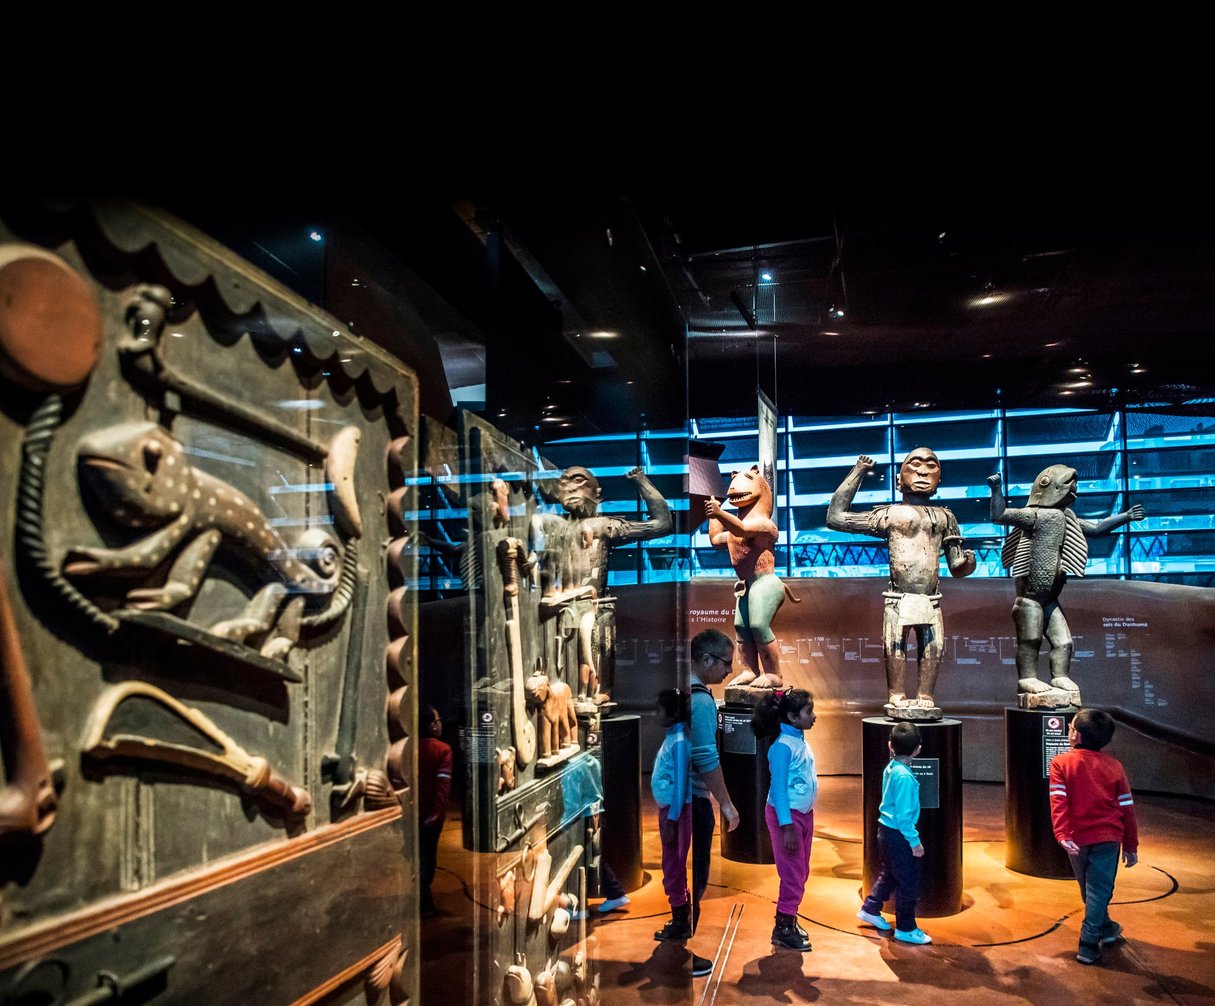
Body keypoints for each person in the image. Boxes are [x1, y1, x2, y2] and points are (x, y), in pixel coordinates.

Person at [827, 450, 975, 716]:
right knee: (895, 647)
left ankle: (925, 696)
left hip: (930, 600)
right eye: (914, 465)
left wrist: (967, 564)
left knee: (933, 648)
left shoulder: (945, 517)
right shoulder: (889, 514)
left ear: (939, 479)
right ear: (898, 479)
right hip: (898, 599)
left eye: (931, 466)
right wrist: (859, 470)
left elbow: (957, 567)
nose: (922, 472)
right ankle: (896, 695)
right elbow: (836, 517)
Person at [1049, 708, 1139, 965]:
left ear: (1075, 735)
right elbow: (1126, 809)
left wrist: (1062, 833)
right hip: (1108, 838)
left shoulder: (1060, 763)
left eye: (1070, 727)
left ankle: (1088, 943)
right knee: (1096, 890)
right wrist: (1130, 845)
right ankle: (1105, 928)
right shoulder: (1115, 766)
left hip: (1077, 840)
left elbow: (1058, 802)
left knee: (1091, 889)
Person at [688, 629, 741, 975]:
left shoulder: (685, 692)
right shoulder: (702, 701)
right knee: (697, 877)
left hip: (676, 801)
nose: (728, 671)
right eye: (725, 663)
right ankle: (682, 948)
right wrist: (725, 803)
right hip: (693, 800)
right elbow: (706, 757)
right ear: (706, 660)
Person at [750, 688, 818, 952]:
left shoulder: (799, 740)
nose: (814, 717)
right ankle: (783, 927)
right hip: (786, 819)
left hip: (803, 816)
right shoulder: (782, 747)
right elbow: (778, 789)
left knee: (801, 871)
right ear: (791, 716)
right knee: (792, 873)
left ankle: (790, 918)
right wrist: (786, 826)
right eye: (808, 712)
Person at [856, 722, 932, 944]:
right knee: (907, 881)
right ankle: (906, 927)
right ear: (918, 749)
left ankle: (871, 907)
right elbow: (904, 816)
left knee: (889, 874)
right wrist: (915, 842)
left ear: (890, 746)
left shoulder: (890, 768)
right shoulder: (905, 778)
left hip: (885, 831)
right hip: (899, 835)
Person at [651, 688, 693, 942]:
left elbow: (680, 786)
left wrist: (672, 820)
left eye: (659, 710)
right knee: (673, 863)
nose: (655, 714)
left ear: (673, 713)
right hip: (670, 812)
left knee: (673, 865)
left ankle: (680, 920)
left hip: (675, 814)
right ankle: (680, 914)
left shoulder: (679, 743)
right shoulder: (673, 739)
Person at [418, 704, 452, 918]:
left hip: (413, 814)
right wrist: (435, 815)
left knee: (417, 857)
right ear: (432, 725)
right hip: (430, 816)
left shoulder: (410, 747)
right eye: (437, 720)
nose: (440, 724)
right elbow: (443, 787)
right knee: (428, 858)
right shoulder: (442, 750)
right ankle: (425, 904)